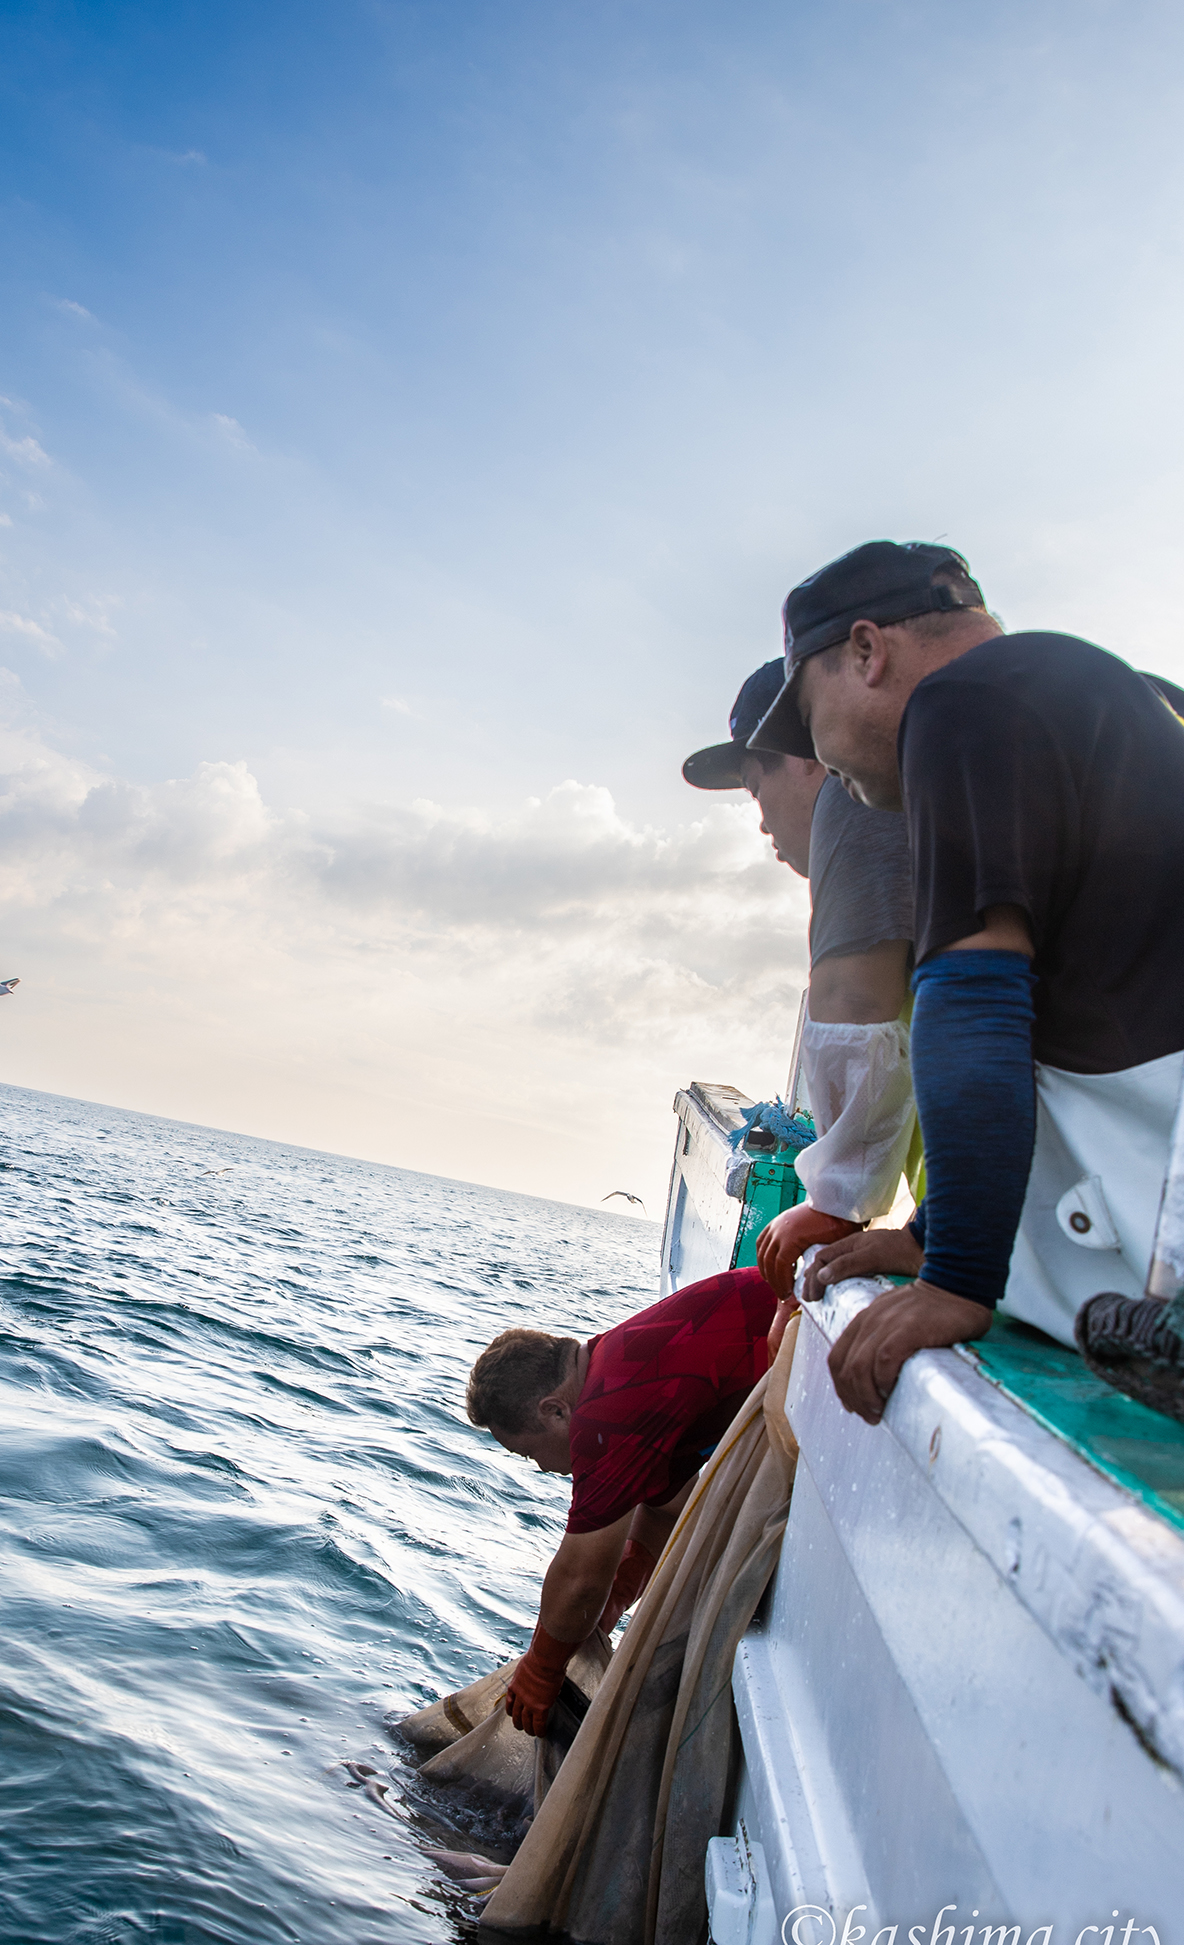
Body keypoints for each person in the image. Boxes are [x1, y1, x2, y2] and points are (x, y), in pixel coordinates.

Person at [749, 540, 1184, 1422]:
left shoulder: (958, 704)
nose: (822, 760)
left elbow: (978, 1001)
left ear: (868, 652)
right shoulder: (1104, 694)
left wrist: (957, 1277)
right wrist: (925, 1236)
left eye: (809, 714)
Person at [682, 662, 919, 1301]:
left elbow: (854, 1003)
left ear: (814, 756)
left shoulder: (861, 800)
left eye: (758, 789)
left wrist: (837, 1203)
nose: (761, 823)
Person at [464, 1266, 776, 1736]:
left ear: (554, 1409)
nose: (541, 1468)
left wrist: (541, 1670)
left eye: (529, 1452)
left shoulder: (604, 1417)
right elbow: (663, 1505)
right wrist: (620, 1595)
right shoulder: (614, 1360)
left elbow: (580, 1578)